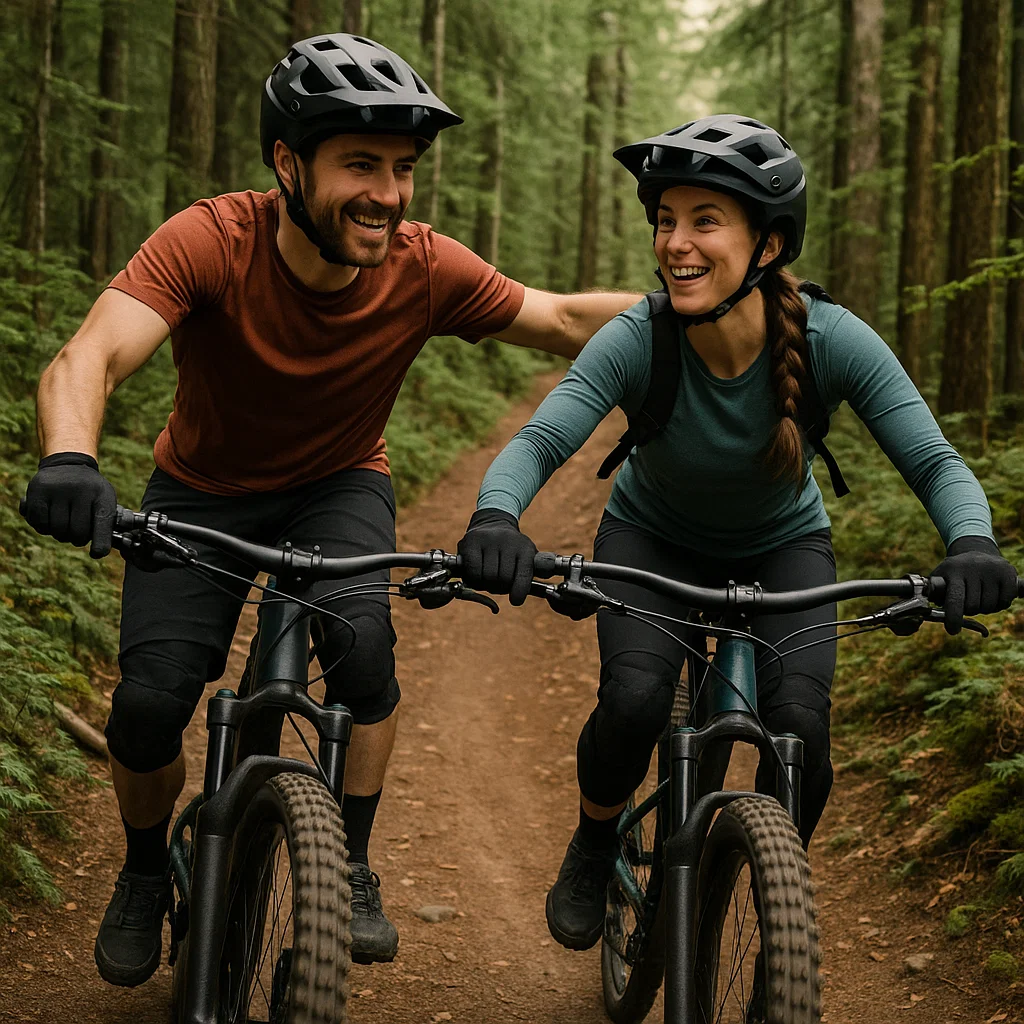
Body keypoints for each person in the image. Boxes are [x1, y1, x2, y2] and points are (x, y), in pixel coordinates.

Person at [21, 34, 639, 988]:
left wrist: (715, 308)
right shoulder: (211, 241)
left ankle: (347, 859)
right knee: (147, 708)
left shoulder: (423, 266)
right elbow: (89, 356)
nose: (388, 194)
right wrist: (71, 457)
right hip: (202, 489)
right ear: (288, 162)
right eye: (360, 165)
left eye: (402, 169)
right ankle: (144, 869)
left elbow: (559, 319)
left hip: (338, 483)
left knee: (363, 651)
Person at [457, 114, 1018, 955]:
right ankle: (596, 839)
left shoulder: (831, 339)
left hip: (783, 548)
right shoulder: (639, 335)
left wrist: (972, 543)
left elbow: (934, 461)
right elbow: (541, 441)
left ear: (768, 244)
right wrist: (496, 518)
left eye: (704, 221)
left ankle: (768, 893)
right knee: (635, 700)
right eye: (665, 220)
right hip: (652, 538)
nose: (676, 243)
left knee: (803, 732)